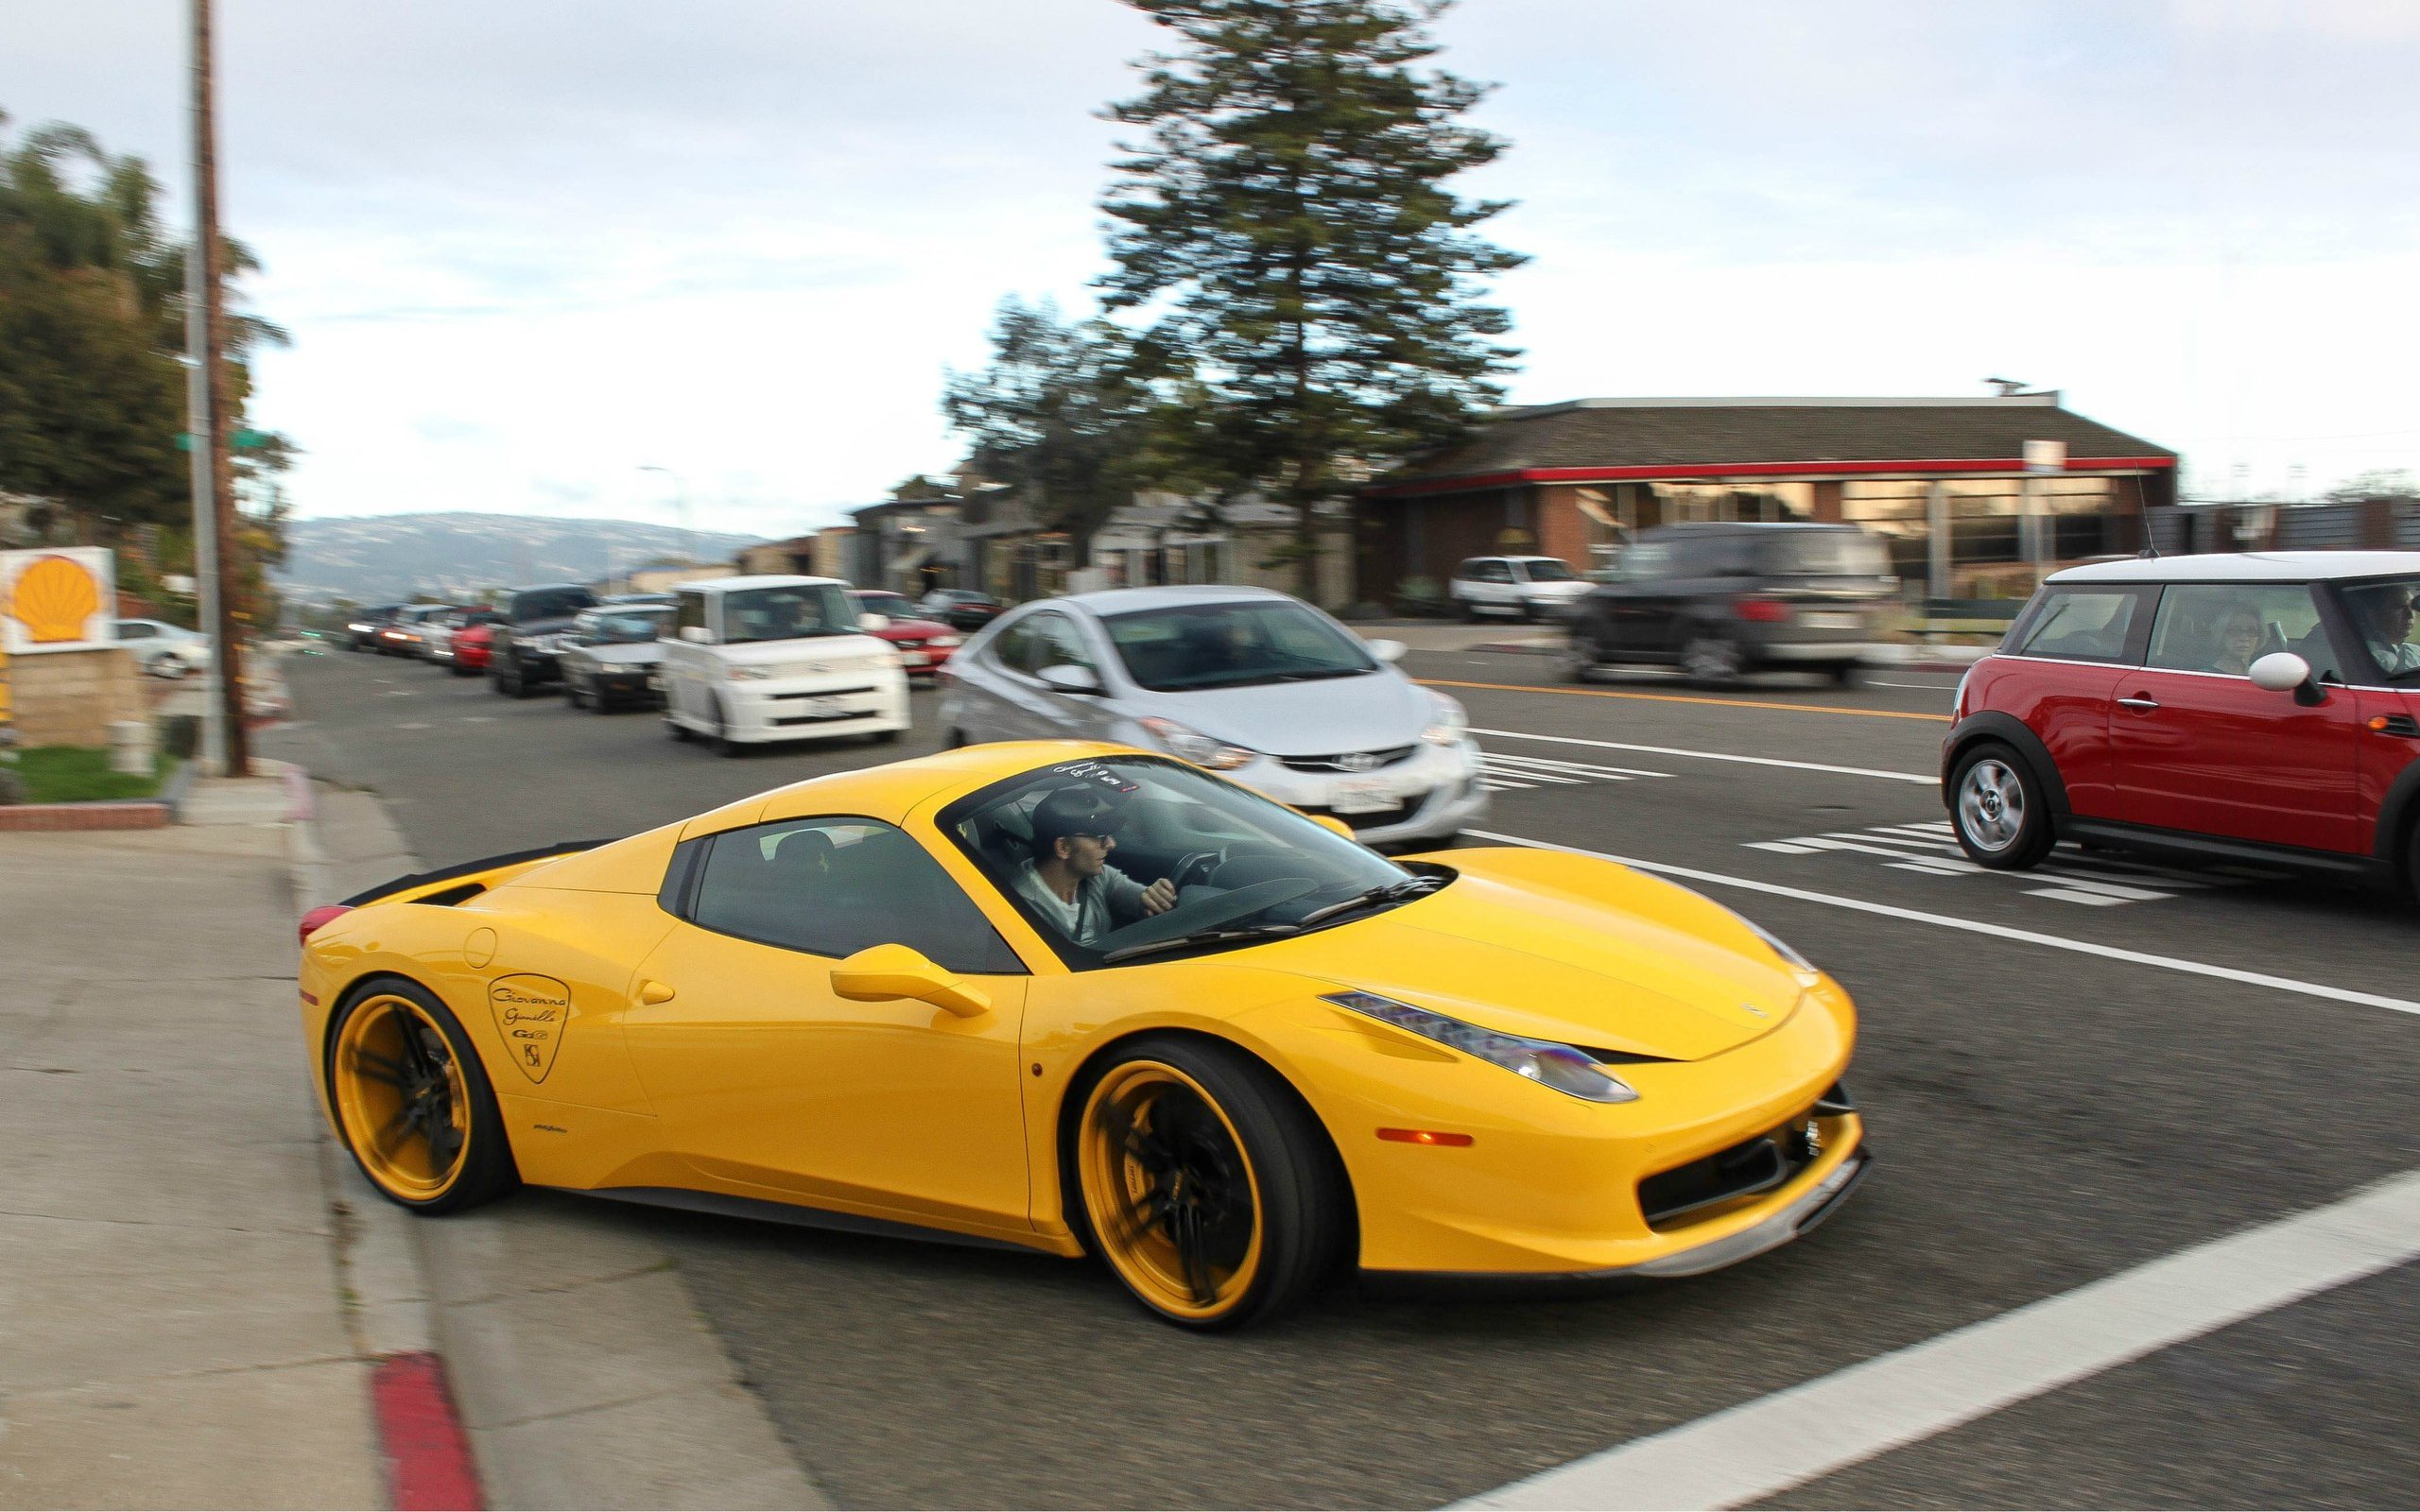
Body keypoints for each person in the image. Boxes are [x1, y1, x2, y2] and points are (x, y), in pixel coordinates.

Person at [1009, 789, 1178, 945]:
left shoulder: (1098, 876)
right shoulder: (1018, 908)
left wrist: (1155, 896)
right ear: (1063, 848)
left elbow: (1139, 898)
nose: (1111, 844)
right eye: (1099, 836)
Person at [2351, 585, 2420, 675]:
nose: (2410, 615)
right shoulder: (2368, 656)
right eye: (2399, 607)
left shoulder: (2414, 651)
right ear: (2373, 615)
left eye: (2413, 607)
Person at [2208, 605, 2263, 677]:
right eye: (2236, 631)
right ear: (2221, 634)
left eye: (2251, 631)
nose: (2244, 638)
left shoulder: (2263, 677)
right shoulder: (2206, 675)